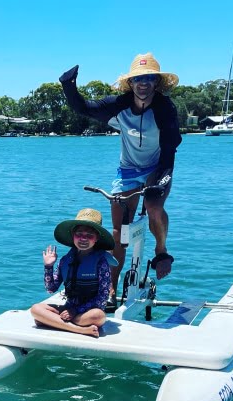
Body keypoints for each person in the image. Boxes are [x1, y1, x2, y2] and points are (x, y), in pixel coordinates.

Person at [59, 53, 182, 301]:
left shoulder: (165, 108)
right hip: (127, 171)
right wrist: (68, 85)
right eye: (138, 78)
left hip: (157, 167)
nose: (143, 83)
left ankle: (161, 250)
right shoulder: (119, 104)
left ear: (156, 83)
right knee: (118, 232)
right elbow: (83, 108)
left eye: (149, 78)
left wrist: (162, 180)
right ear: (132, 83)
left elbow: (170, 148)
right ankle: (111, 288)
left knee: (153, 207)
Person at [30, 208, 115, 338]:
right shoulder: (65, 260)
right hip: (69, 310)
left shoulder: (101, 262)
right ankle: (79, 329)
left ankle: (55, 322)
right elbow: (51, 288)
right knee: (36, 309)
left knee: (99, 316)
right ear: (73, 236)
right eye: (79, 234)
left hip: (86, 313)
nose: (83, 239)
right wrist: (48, 266)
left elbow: (103, 297)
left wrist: (75, 311)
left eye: (89, 235)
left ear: (96, 238)